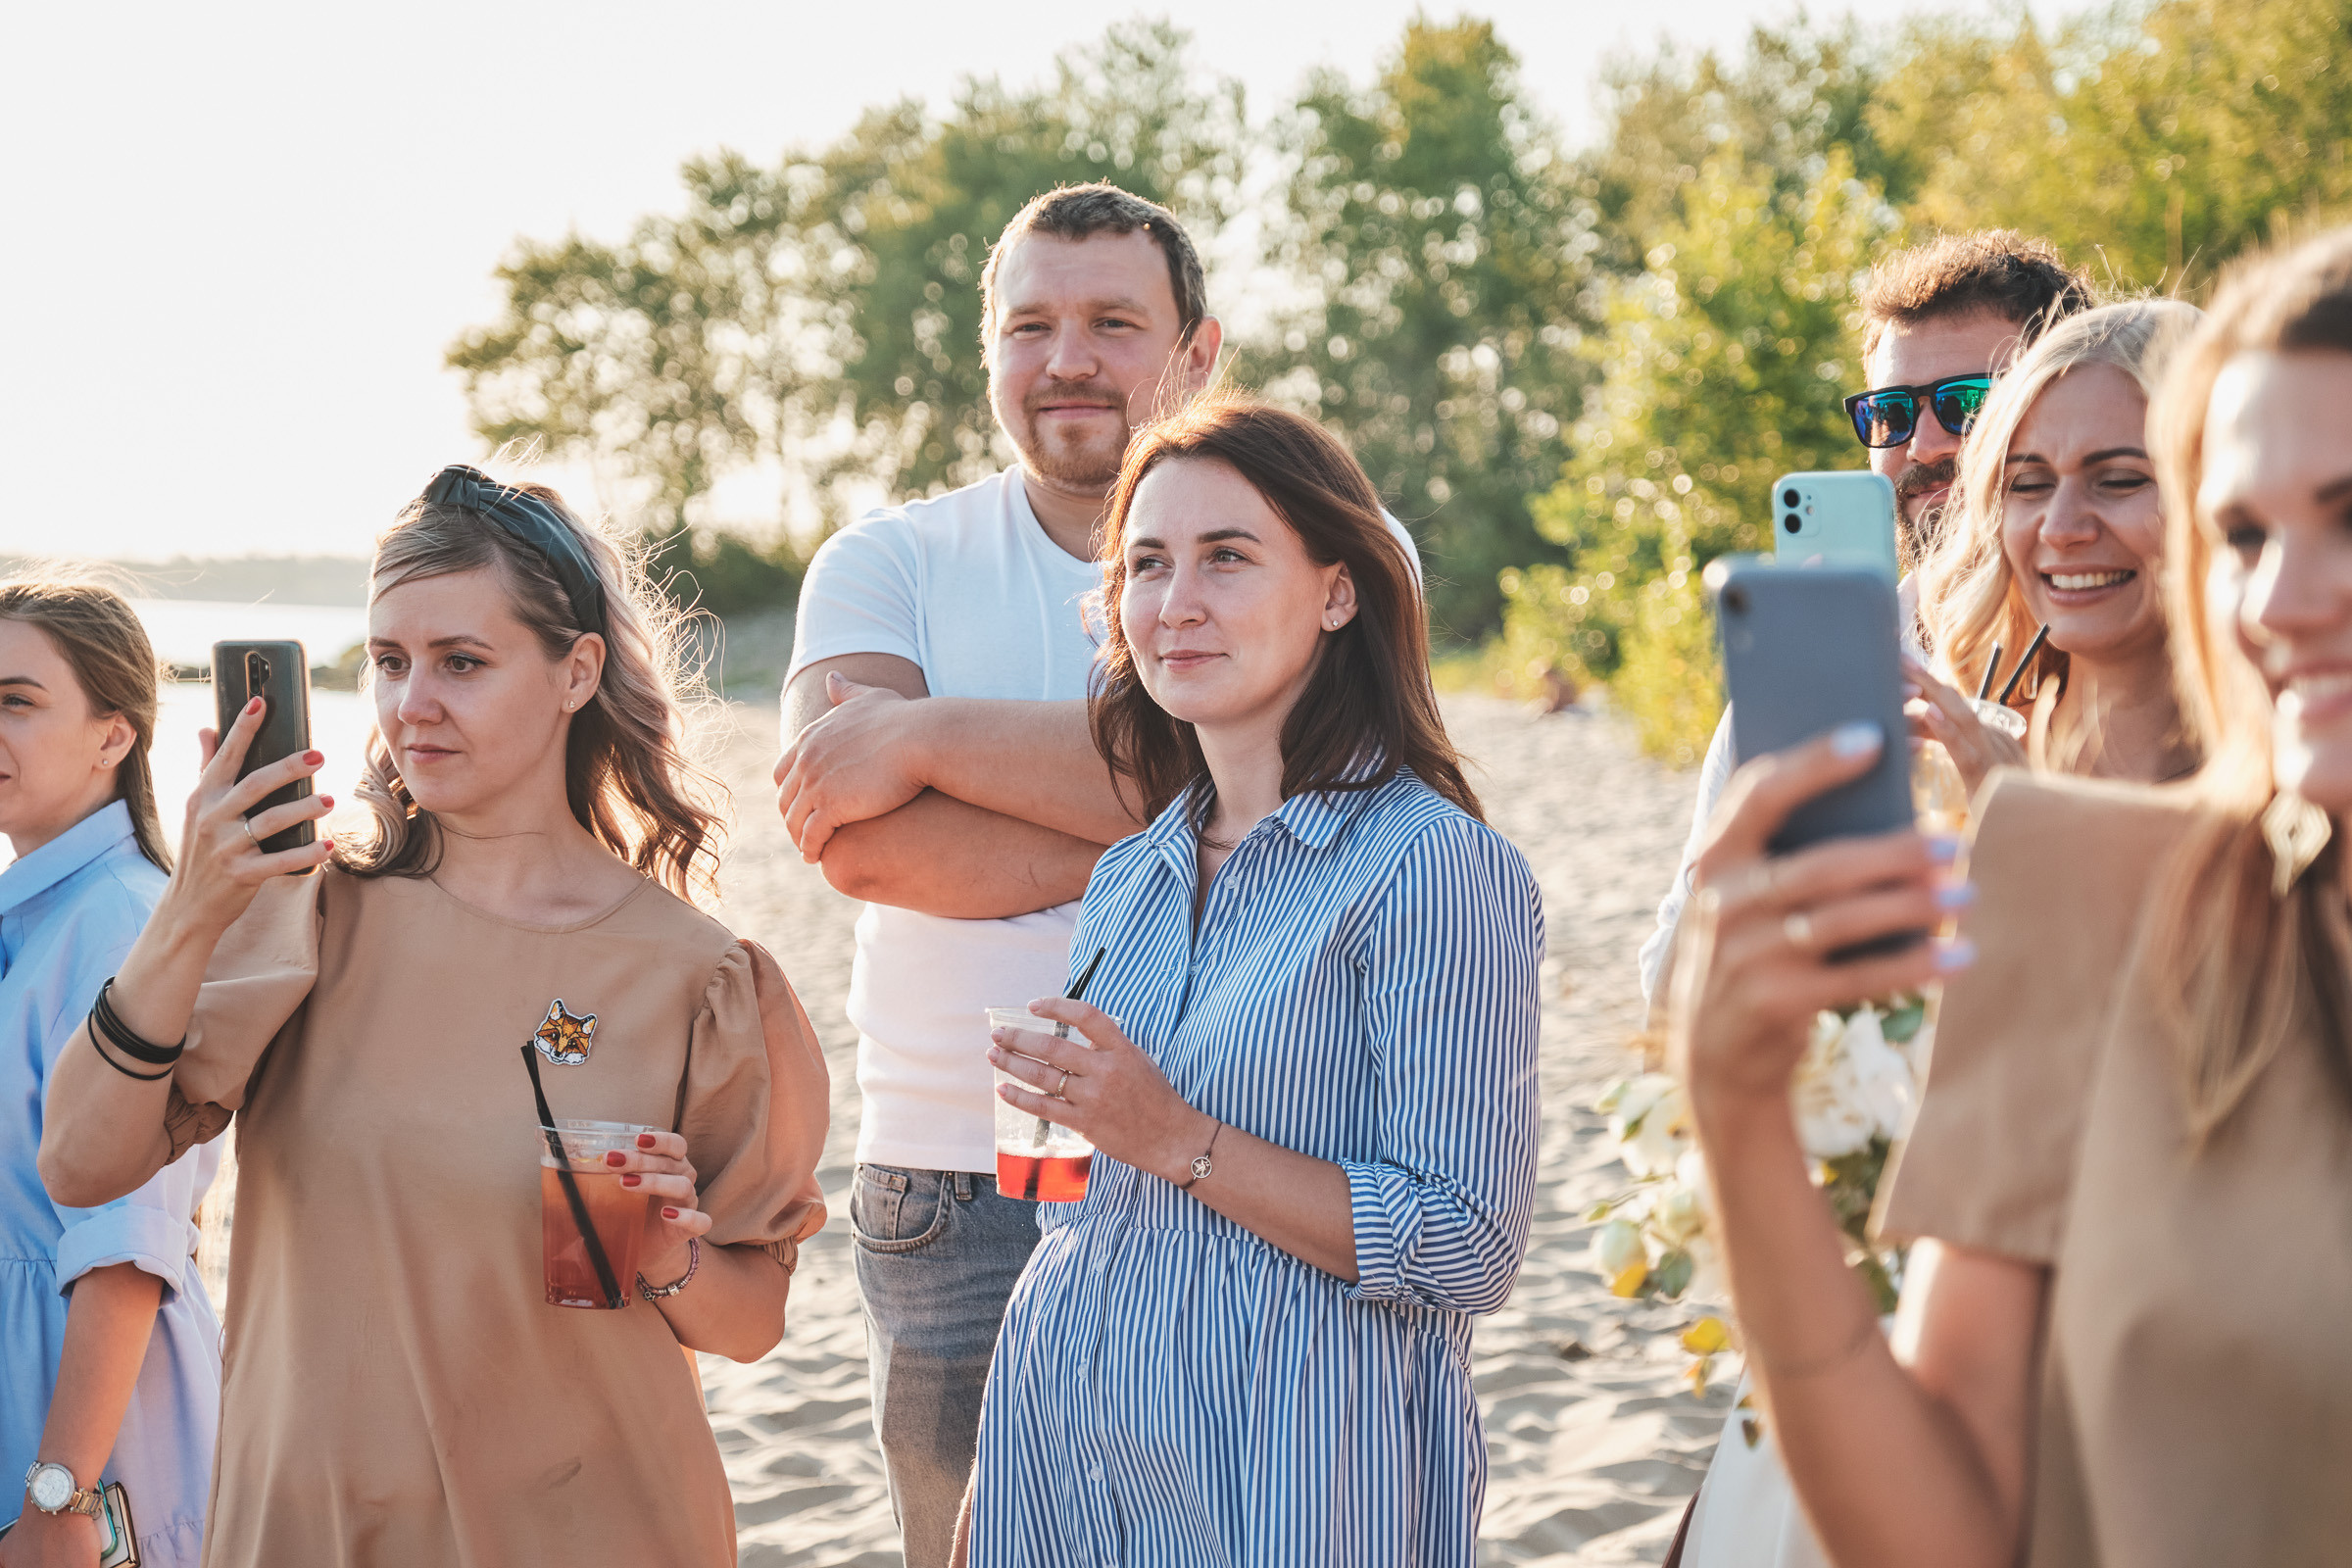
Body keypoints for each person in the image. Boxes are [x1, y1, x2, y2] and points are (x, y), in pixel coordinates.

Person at [1668, 226, 2352, 1567]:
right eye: (2244, 530)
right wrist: (1738, 1114)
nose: (2283, 596)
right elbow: (1944, 1528)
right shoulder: (2078, 880)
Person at [771, 182, 1420, 1567]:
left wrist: (931, 736)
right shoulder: (885, 563)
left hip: (1263, 1151)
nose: (1068, 358)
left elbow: (1340, 790)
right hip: (964, 1177)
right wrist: (1213, 809)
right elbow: (862, 842)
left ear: (1200, 350)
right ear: (991, 352)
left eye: (1115, 322)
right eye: (1032, 325)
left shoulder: (1341, 553)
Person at [40, 467, 828, 1566]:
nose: (413, 703)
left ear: (576, 672)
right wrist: (193, 905)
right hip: (309, 1528)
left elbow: (754, 1320)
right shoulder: (303, 916)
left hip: (591, 1528)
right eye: (390, 661)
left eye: (462, 662)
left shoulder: (697, 978)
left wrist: (669, 1252)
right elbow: (79, 1163)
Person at [960, 394, 1544, 1567]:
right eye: (1147, 564)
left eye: (1227, 558)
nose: (1176, 603)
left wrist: (1173, 1134)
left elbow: (1467, 1242)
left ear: (1339, 591)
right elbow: (1079, 1209)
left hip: (1291, 1478)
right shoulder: (1131, 876)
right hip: (1062, 1468)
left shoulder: (1433, 867)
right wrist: (999, 1459)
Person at [1638, 232, 2094, 1006]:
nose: (1924, 444)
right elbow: (1666, 996)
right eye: (1889, 411)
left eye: (1969, 403)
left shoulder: (2114, 642)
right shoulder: (1816, 664)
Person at [1, 582, 217, 1568]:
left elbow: (130, 1245)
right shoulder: (36, 916)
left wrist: (60, 1497)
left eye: (17, 699)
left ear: (112, 737)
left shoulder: (124, 923)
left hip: (88, 1444)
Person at [1907, 298, 2205, 798]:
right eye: (2028, 484)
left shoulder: (2308, 780)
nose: (2060, 529)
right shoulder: (1940, 766)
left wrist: (2016, 818)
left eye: (2119, 479)